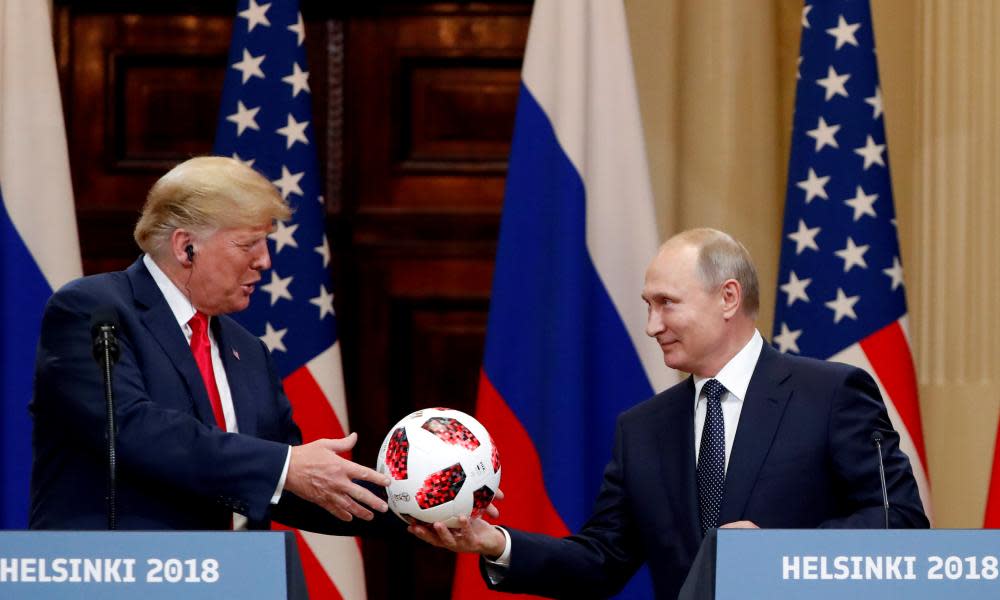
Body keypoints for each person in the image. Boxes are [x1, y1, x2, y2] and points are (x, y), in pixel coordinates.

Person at [411, 228, 929, 598]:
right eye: (647, 305)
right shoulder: (642, 430)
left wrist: (779, 555)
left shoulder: (832, 393)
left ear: (728, 297)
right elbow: (601, 562)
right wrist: (493, 542)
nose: (652, 325)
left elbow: (902, 524)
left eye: (667, 303)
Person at [30, 156, 392, 532]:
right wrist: (285, 465)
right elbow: (132, 427)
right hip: (111, 577)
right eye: (249, 243)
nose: (265, 261)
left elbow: (290, 484)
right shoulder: (94, 310)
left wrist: (419, 515)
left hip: (228, 577)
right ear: (187, 247)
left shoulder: (248, 351)